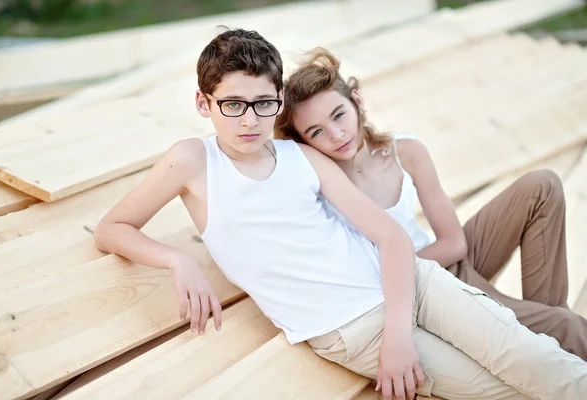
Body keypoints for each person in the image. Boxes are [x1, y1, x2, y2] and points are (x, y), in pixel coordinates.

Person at [94, 29, 587, 400]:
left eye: (263, 103)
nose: (249, 120)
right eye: (233, 105)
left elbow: (392, 238)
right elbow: (112, 228)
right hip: (347, 328)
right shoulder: (193, 160)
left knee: (536, 359)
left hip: (413, 283)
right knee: (503, 392)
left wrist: (398, 332)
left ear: (278, 100)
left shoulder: (300, 157)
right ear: (204, 104)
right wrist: (179, 261)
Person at [274, 46, 587, 363]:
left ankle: (549, 340)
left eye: (338, 115)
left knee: (542, 185)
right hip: (426, 292)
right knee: (564, 324)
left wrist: (398, 265)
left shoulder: (404, 151)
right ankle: (552, 336)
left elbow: (454, 243)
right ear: (305, 143)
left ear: (356, 101)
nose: (336, 134)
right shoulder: (320, 187)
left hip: (446, 264)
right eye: (316, 132)